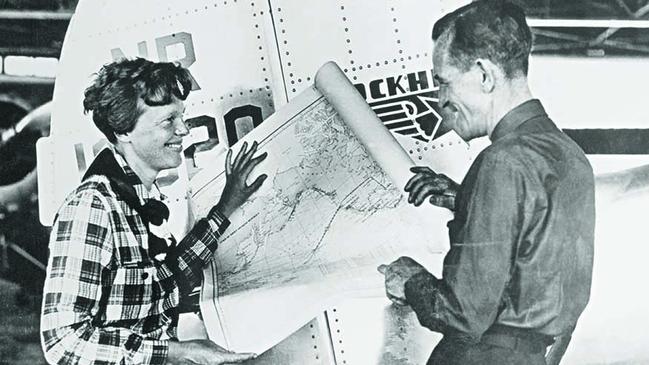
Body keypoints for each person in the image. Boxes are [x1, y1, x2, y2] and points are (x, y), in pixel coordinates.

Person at [378, 1, 596, 364]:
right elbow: (538, 253)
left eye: (444, 83)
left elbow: (462, 315)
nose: (440, 101)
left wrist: (409, 279)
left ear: (484, 75)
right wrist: (466, 200)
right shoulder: (570, 156)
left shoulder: (501, 163)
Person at [40, 58, 268, 365]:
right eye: (168, 120)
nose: (184, 130)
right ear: (123, 131)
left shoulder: (135, 199)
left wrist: (226, 206)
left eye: (181, 117)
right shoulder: (93, 206)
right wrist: (178, 352)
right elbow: (63, 342)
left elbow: (165, 281)